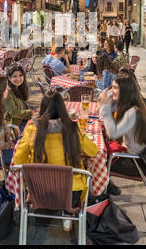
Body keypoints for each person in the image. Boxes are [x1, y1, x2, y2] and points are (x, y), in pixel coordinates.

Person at [13, 91, 98, 230]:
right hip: (71, 193)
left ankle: (44, 213)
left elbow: (18, 160)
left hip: (39, 192)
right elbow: (93, 150)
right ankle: (67, 213)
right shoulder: (72, 128)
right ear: (63, 108)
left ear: (42, 108)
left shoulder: (32, 129)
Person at [99, 73, 146, 180]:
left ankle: (100, 193)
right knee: (100, 154)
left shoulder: (133, 112)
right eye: (111, 87)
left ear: (125, 90)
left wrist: (105, 106)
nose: (112, 91)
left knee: (96, 161)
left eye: (115, 88)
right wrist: (108, 101)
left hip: (135, 163)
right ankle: (106, 187)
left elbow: (113, 134)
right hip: (134, 157)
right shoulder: (132, 105)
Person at [5, 65, 33, 131]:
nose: (18, 79)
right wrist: (31, 113)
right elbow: (14, 113)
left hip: (23, 120)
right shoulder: (7, 92)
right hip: (14, 126)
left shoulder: (20, 88)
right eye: (14, 76)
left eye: (20, 75)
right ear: (9, 78)